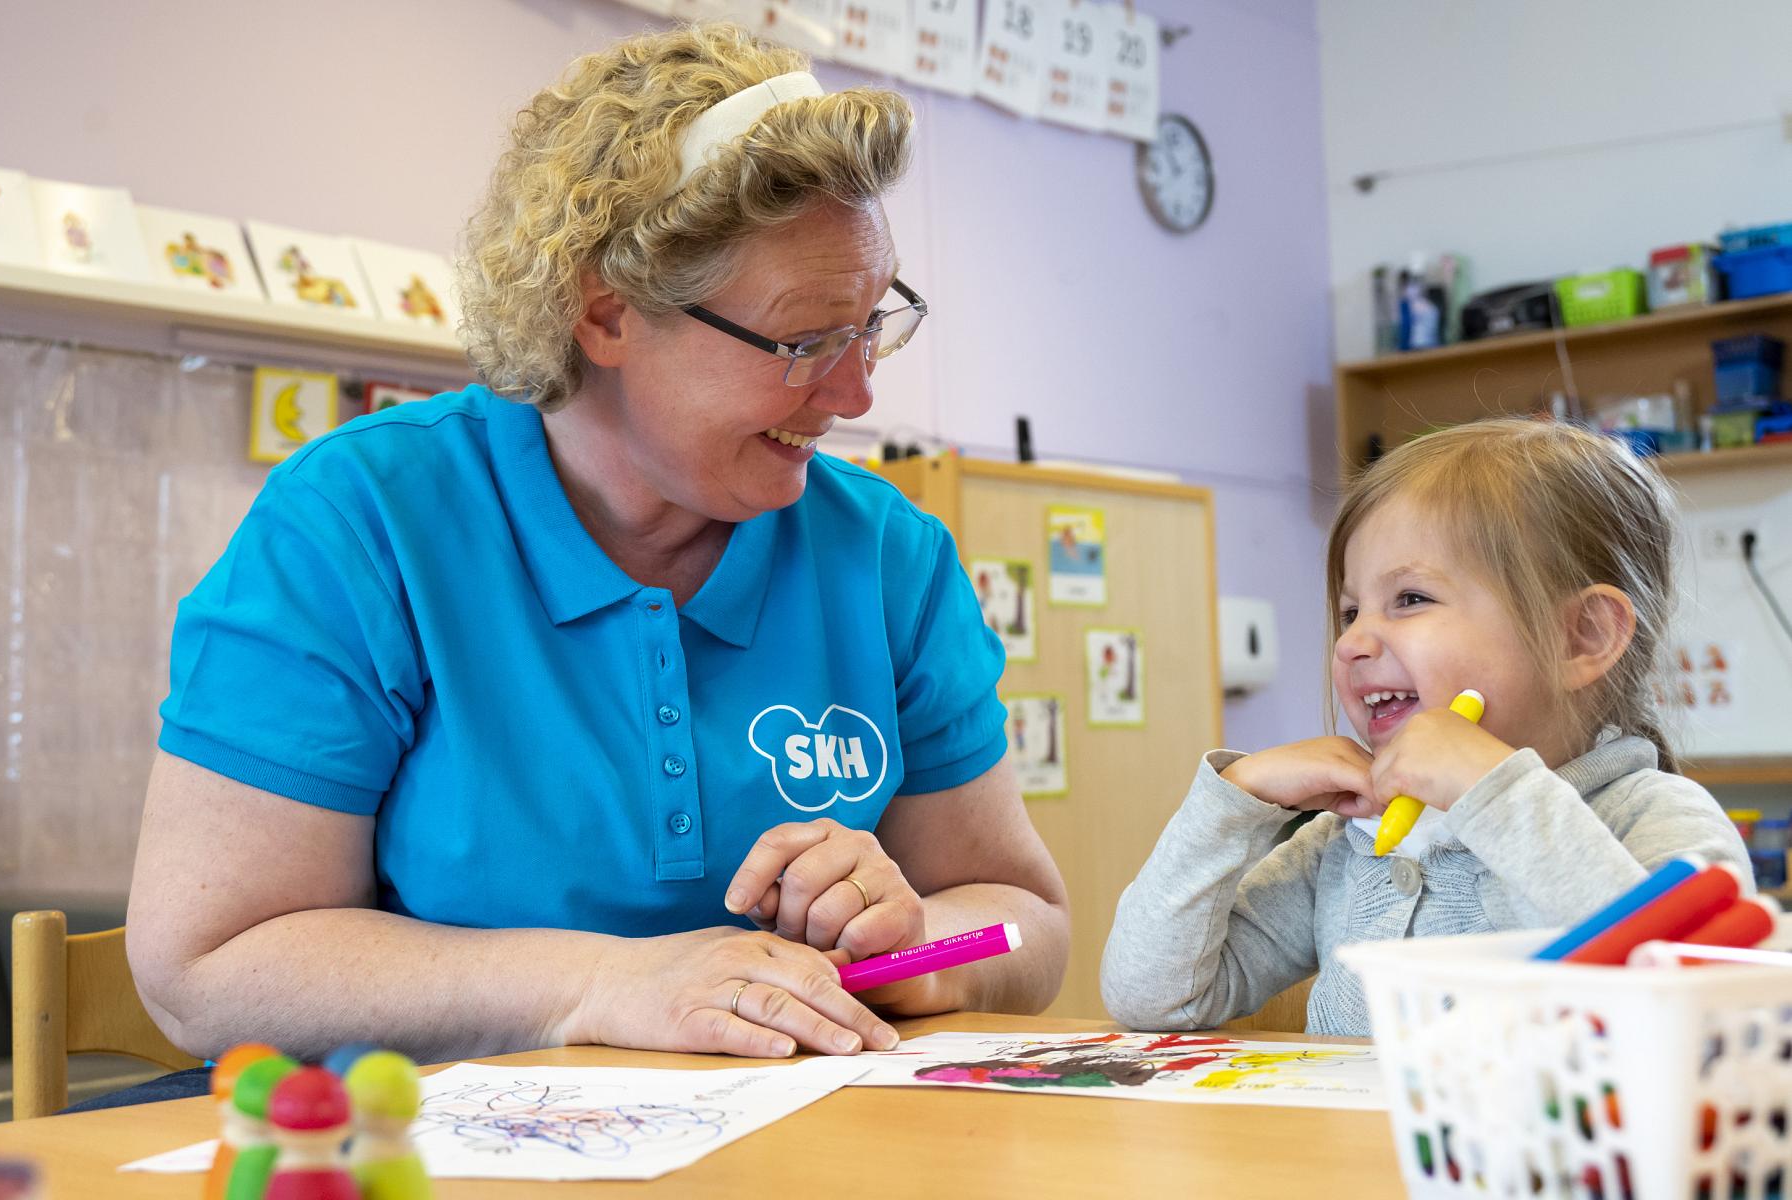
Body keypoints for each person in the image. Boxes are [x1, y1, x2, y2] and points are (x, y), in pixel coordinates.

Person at [127, 23, 1068, 1076]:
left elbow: (1029, 924)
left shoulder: (885, 557)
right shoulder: (362, 525)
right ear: (607, 315)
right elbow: (203, 969)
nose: (856, 395)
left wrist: (922, 953)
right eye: (806, 340)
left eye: (871, 323)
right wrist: (603, 984)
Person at [1101, 418, 1748, 1037]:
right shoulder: (1349, 840)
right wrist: (1234, 800)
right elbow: (1153, 997)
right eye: (1351, 609)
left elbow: (1690, 1019)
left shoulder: (1657, 818)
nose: (1353, 640)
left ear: (1582, 637)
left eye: (1410, 599)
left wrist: (1492, 792)